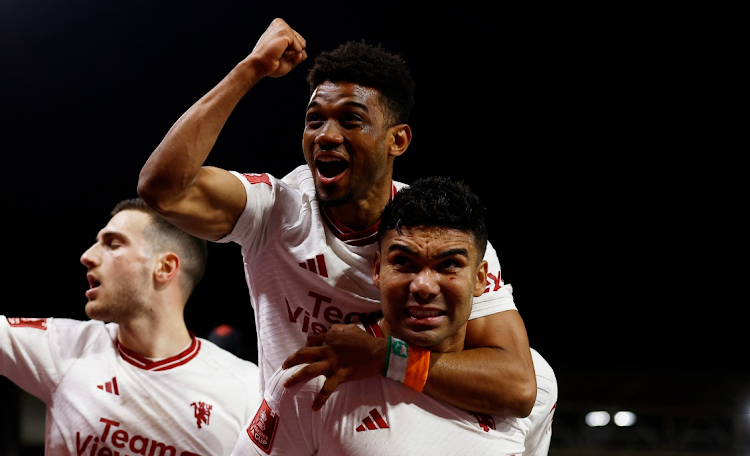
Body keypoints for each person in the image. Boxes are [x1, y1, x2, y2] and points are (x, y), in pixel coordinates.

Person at [137, 17, 537, 416]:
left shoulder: (439, 233)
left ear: (397, 140)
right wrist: (251, 68)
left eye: (351, 119)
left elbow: (517, 385)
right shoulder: (276, 210)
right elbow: (163, 189)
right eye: (315, 120)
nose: (326, 135)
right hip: (294, 433)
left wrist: (386, 357)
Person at [231, 176, 557, 456]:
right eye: (404, 262)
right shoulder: (314, 379)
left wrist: (390, 358)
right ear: (377, 270)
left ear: (481, 279)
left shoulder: (538, 382)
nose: (424, 286)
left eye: (449, 265)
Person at [0, 197, 261, 456]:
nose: (87, 256)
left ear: (164, 267)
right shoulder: (64, 347)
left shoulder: (247, 391)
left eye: (112, 244)